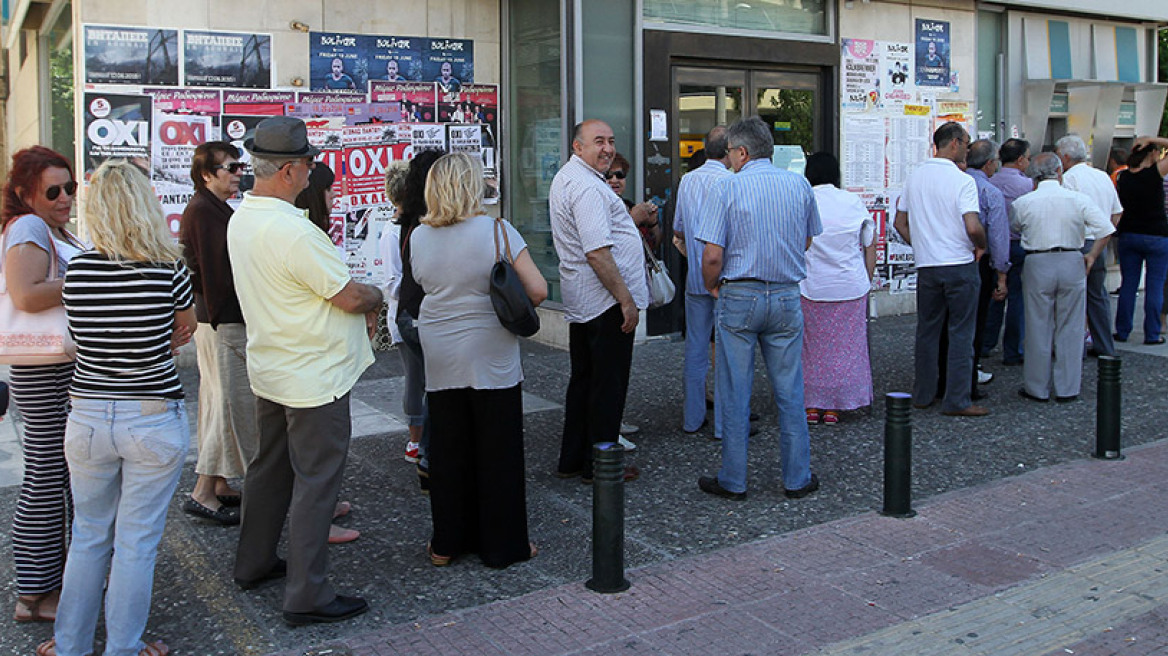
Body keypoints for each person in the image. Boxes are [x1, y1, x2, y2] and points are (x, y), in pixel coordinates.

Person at [228, 117, 382, 626]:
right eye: (310, 163)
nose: (314, 171)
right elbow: (349, 295)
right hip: (313, 374)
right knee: (317, 483)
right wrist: (378, 294)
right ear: (292, 171)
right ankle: (307, 594)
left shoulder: (243, 217)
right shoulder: (295, 230)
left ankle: (253, 562)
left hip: (272, 365)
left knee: (268, 470)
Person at [41, 159, 196, 656]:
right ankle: (124, 647)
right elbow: (183, 331)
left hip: (86, 416)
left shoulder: (79, 269)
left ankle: (70, 646)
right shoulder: (168, 268)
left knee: (88, 538)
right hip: (150, 415)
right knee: (135, 544)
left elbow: (79, 337)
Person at [410, 152, 547, 567]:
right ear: (472, 186)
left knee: (450, 446)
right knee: (497, 447)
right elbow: (537, 289)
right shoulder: (497, 231)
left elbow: (421, 283)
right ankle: (503, 545)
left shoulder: (418, 236)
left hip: (439, 346)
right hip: (490, 347)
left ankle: (446, 543)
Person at [694, 116, 822, 500]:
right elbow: (807, 240)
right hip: (785, 295)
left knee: (735, 389)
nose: (730, 159)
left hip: (740, 295)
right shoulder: (798, 184)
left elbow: (712, 255)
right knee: (790, 389)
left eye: (732, 152)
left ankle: (734, 479)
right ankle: (797, 477)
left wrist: (711, 286)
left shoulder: (726, 188)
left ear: (742, 151)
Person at [3, 146, 82, 624]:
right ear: (23, 194)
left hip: (55, 365)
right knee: (48, 477)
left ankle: (57, 580)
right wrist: (94, 278)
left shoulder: (49, 228)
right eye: (52, 190)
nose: (64, 197)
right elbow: (26, 294)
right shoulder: (28, 228)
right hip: (44, 366)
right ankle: (34, 593)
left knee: (62, 474)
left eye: (69, 187)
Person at [549, 119, 647, 484]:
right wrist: (626, 300)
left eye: (611, 140)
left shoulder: (571, 177)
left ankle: (574, 458)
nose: (607, 148)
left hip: (586, 300)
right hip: (604, 303)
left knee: (585, 382)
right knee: (607, 385)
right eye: (598, 142)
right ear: (578, 147)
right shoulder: (588, 188)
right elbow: (598, 252)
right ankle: (602, 465)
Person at [892, 121, 988, 417]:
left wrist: (920, 244)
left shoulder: (916, 176)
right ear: (955, 143)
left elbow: (899, 223)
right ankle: (957, 399)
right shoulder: (963, 181)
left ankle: (923, 394)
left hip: (928, 266)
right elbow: (972, 225)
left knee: (927, 331)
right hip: (959, 264)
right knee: (961, 332)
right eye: (968, 143)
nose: (969, 150)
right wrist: (981, 245)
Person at [291, 162, 363, 546]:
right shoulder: (306, 237)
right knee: (319, 454)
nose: (335, 198)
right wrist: (372, 298)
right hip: (316, 365)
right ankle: (316, 528)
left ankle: (322, 511)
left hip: (308, 361)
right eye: (330, 190)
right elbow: (348, 296)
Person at [179, 141, 248, 527]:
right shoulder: (205, 211)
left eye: (240, 166)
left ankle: (217, 483)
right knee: (224, 403)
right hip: (221, 322)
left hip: (216, 320)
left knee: (216, 401)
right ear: (207, 174)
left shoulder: (212, 208)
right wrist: (235, 320)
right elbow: (214, 275)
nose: (239, 172)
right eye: (231, 167)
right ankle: (204, 490)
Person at [1010, 153, 1113, 402]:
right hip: (1071, 259)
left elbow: (1016, 227)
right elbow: (1106, 229)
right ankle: (1068, 387)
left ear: (1034, 177)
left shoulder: (1023, 202)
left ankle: (1037, 387)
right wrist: (1091, 256)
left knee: (1037, 324)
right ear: (1058, 172)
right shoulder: (1078, 199)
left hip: (1037, 260)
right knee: (1071, 325)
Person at [800, 152, 876, 425]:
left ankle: (812, 404)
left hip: (812, 286)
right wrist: (865, 281)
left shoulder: (804, 200)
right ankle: (838, 405)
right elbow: (869, 244)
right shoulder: (852, 202)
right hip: (850, 287)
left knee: (812, 349)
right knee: (849, 349)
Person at [383, 149, 444, 481]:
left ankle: (425, 447)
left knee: (430, 382)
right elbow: (396, 280)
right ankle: (421, 445)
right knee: (422, 381)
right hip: (415, 315)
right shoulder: (407, 229)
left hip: (413, 314)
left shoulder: (415, 224)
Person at [673, 127, 731, 438]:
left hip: (696, 278)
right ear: (730, 150)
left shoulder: (688, 180)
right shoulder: (732, 182)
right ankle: (725, 424)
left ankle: (692, 418)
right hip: (726, 282)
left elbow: (678, 228)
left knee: (695, 349)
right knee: (726, 351)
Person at [1056, 134, 1123, 356]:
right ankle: (1105, 346)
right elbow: (1117, 212)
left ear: (1065, 157)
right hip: (1099, 242)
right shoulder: (1102, 176)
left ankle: (1076, 349)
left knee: (1074, 298)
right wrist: (1104, 234)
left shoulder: (1068, 179)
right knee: (1098, 296)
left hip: (1077, 243)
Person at [963, 139, 1011, 395]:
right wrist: (1001, 274)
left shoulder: (956, 182)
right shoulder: (990, 192)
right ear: (990, 163)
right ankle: (971, 373)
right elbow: (998, 238)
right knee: (977, 321)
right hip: (981, 261)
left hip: (953, 258)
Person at [1113, 135, 1168, 344]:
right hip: (1157, 236)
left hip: (1129, 235)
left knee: (1129, 285)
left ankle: (1123, 331)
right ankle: (1152, 334)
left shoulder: (1123, 177)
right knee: (1154, 286)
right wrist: (1153, 138)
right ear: (1152, 153)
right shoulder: (1154, 174)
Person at [985, 138, 1034, 364]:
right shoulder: (1027, 186)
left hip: (991, 246)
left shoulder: (990, 181)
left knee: (993, 295)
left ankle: (985, 343)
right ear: (1021, 159)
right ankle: (1013, 350)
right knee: (1017, 299)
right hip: (1018, 244)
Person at [608, 152, 661, 250]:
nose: (614, 180)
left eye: (620, 175)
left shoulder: (629, 205)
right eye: (608, 176)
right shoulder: (598, 208)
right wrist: (633, 219)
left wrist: (652, 224)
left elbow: (654, 247)